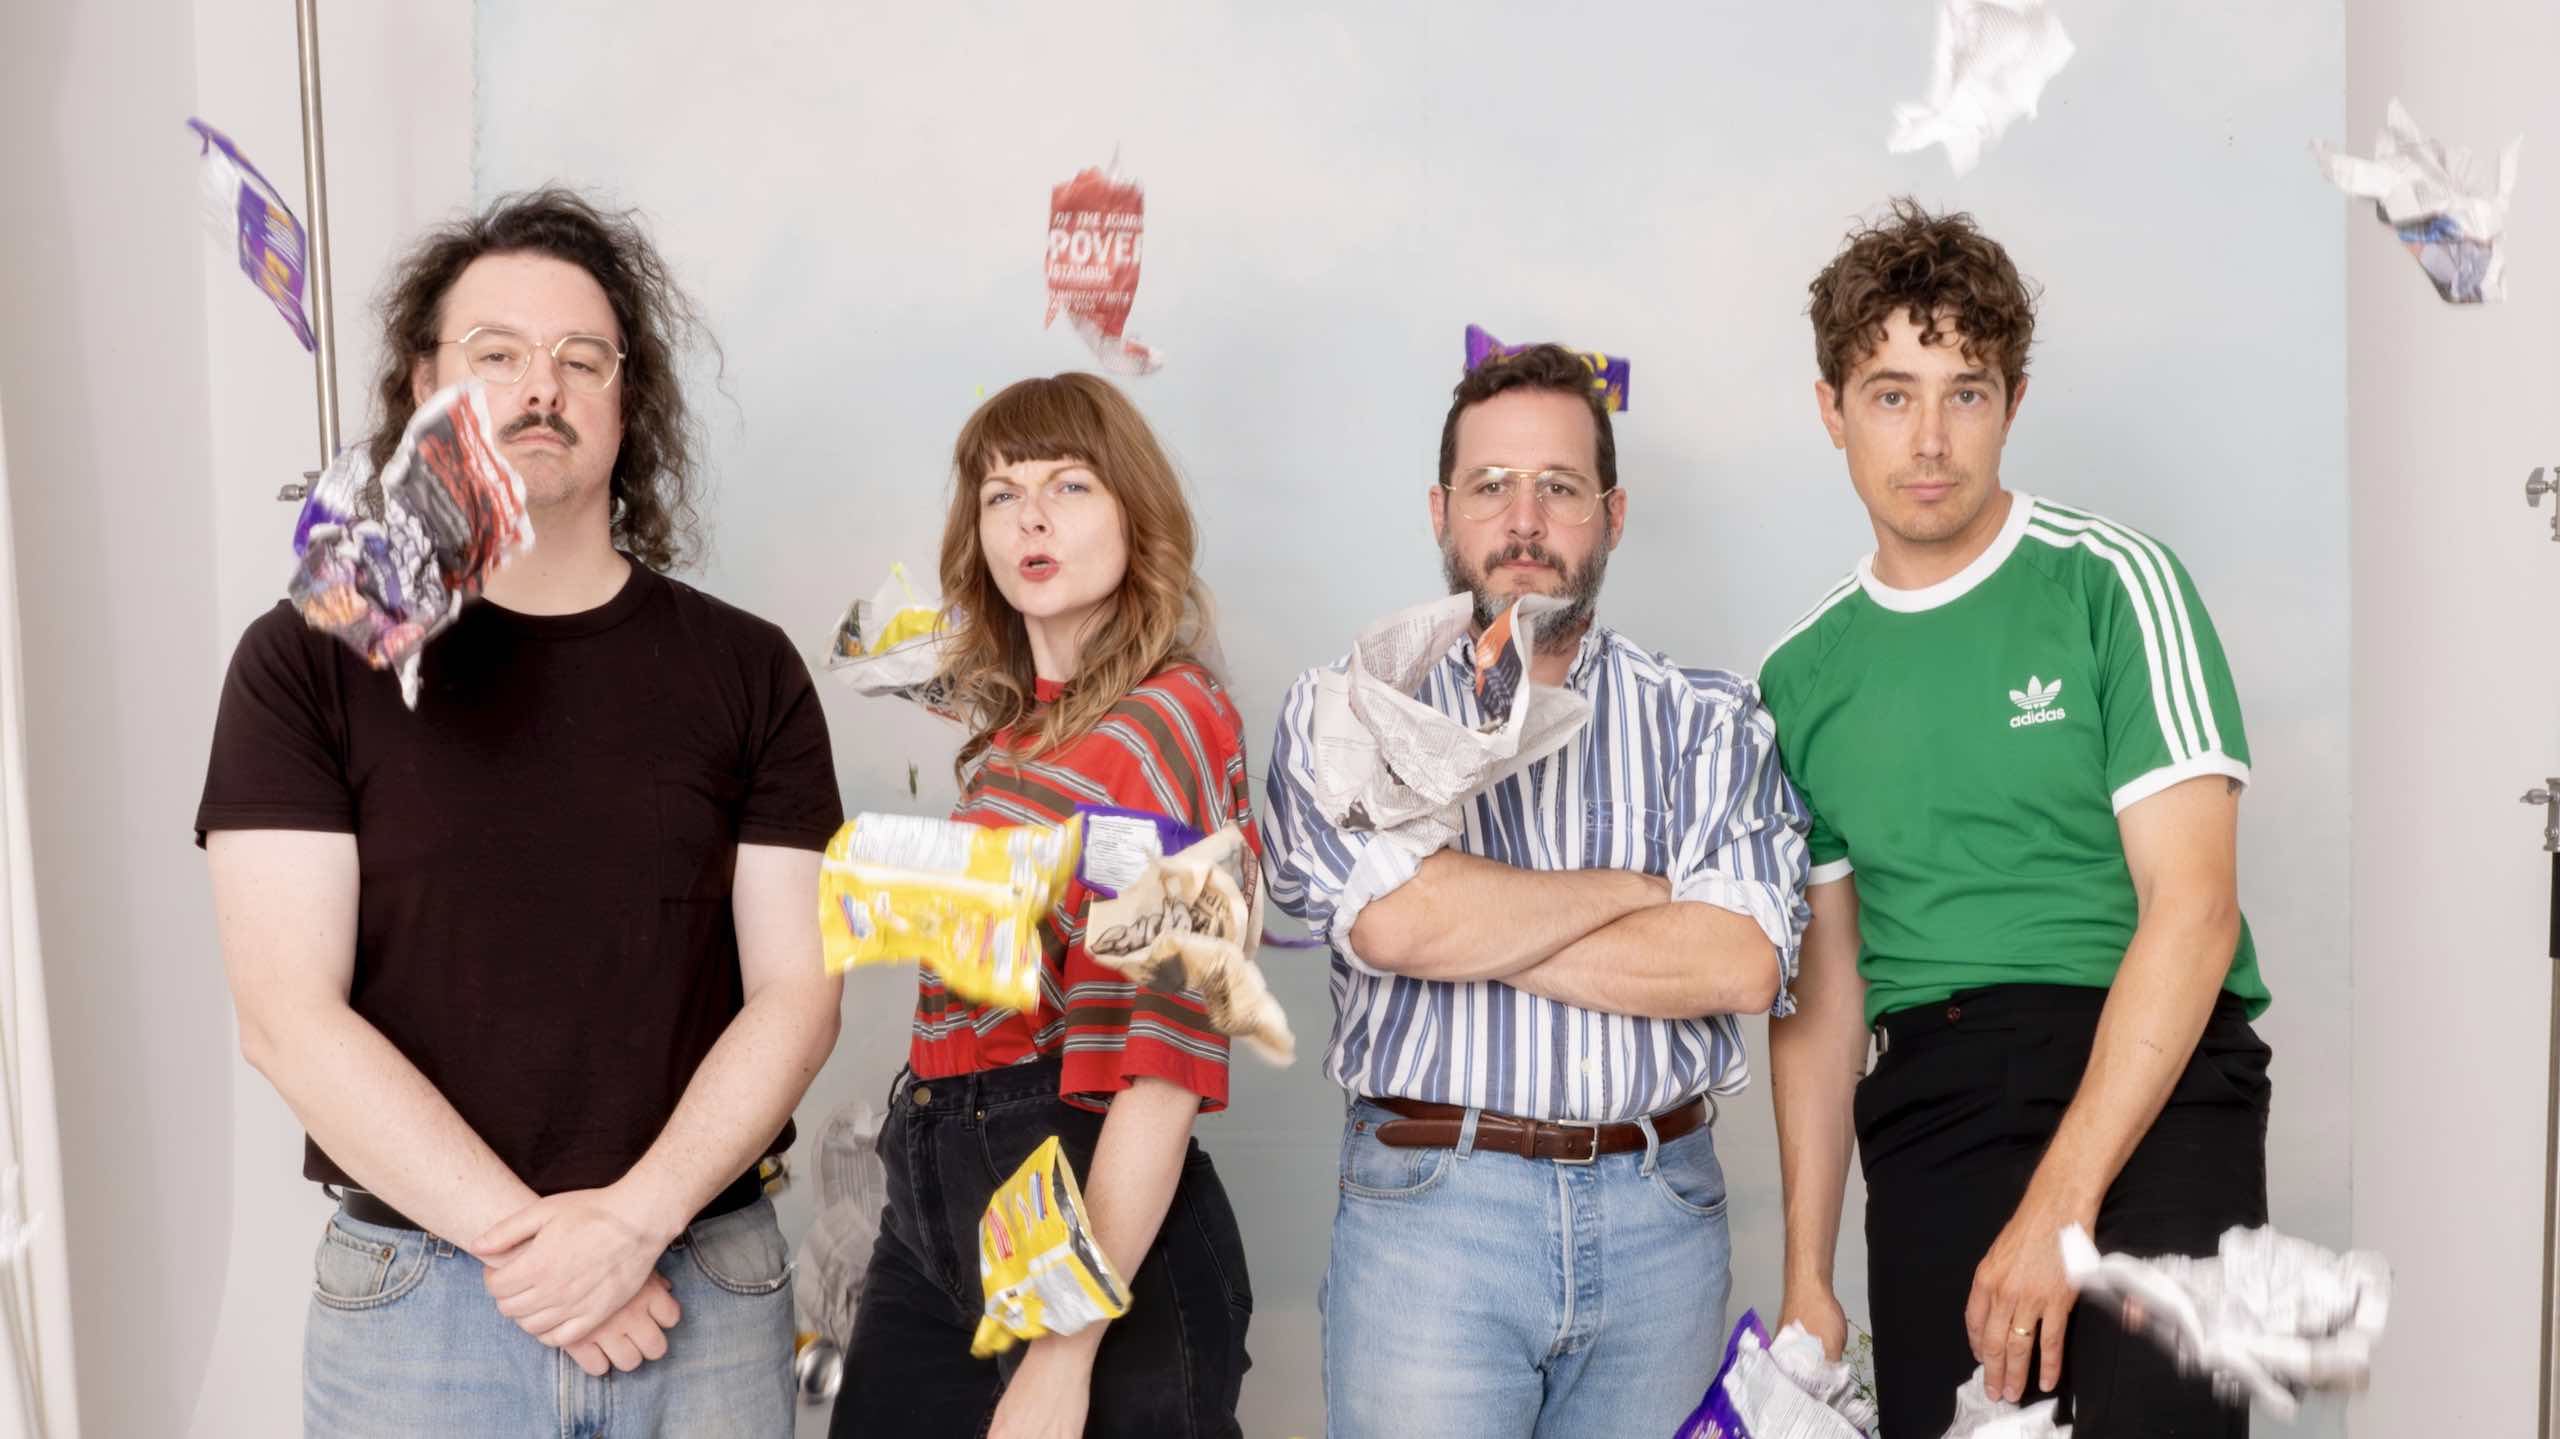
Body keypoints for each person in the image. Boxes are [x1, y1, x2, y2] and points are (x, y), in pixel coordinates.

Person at [197, 188, 844, 1436]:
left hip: (701, 1284)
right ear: (424, 383)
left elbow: (799, 997)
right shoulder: (306, 657)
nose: (542, 385)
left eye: (581, 358)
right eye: (497, 353)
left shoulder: (749, 668)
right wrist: (545, 1256)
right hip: (417, 1305)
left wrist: (633, 1224)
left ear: (626, 401)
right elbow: (285, 1016)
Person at [1762, 198, 2274, 1438]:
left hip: (2153, 1072)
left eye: (1967, 392)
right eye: (1891, 394)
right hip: (1932, 1101)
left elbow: (2195, 911)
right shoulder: (1800, 675)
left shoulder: (2113, 583)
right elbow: (1825, 994)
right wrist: (1807, 1276)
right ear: (1830, 408)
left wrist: (2060, 1203)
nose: (1929, 437)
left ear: (2013, 401)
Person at [1263, 342, 1810, 1437]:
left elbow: (1739, 962)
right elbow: (1394, 924)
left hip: (1661, 1217)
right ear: (1441, 511)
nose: (1524, 521)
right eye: (1490, 487)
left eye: (1559, 487)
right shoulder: (1345, 712)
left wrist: (1463, 920)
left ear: (1612, 514)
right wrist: (1637, 890)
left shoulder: (1707, 718)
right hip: (1431, 1218)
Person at [830, 373, 1255, 1439]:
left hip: (1084, 1207)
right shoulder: (1024, 734)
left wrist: (1065, 1350)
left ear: (1135, 514)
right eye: (1000, 493)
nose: (1030, 517)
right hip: (937, 1198)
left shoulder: (1168, 721)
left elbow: (1162, 1065)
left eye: (1069, 484)